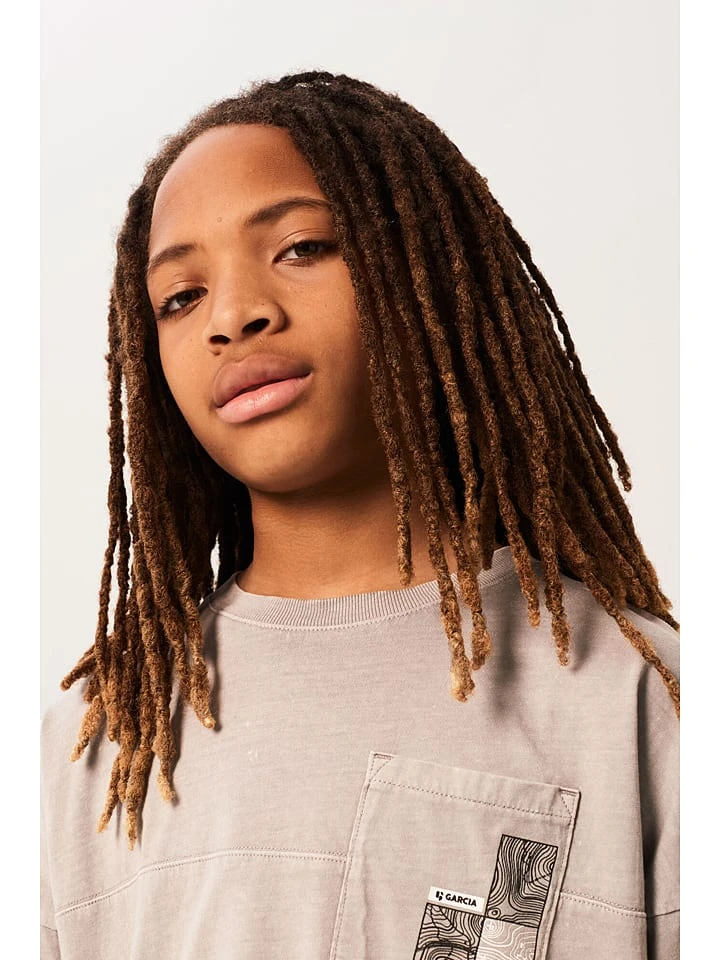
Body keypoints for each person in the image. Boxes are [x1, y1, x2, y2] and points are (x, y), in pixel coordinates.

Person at [40, 70, 679, 959]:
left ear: (429, 271)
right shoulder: (102, 744)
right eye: (180, 297)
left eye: (301, 247)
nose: (233, 316)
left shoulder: (636, 699)